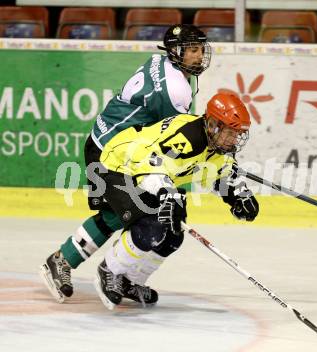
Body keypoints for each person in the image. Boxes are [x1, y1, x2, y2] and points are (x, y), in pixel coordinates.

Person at [39, 24, 212, 305]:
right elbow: (174, 142)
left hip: (120, 146)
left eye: (201, 48)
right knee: (128, 213)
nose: (199, 55)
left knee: (123, 213)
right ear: (175, 51)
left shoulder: (163, 63)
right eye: (193, 49)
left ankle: (107, 273)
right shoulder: (175, 90)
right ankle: (64, 261)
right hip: (111, 151)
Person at [92, 92, 259, 309]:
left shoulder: (217, 146)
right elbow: (149, 164)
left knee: (173, 236)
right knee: (150, 227)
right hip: (119, 166)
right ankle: (110, 270)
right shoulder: (188, 137)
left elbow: (216, 173)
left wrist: (236, 196)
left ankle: (129, 281)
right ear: (213, 125)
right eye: (230, 132)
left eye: (238, 134)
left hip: (150, 175)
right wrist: (167, 195)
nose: (234, 140)